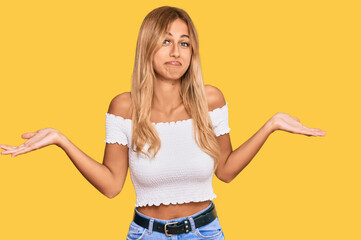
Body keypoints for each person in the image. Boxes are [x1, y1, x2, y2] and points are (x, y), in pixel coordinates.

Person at [0, 6, 326, 240]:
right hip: (146, 233)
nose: (176, 52)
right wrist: (61, 139)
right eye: (166, 41)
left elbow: (225, 170)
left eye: (184, 43)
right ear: (148, 46)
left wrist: (270, 125)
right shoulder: (124, 106)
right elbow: (112, 185)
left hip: (205, 231)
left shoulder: (210, 99)